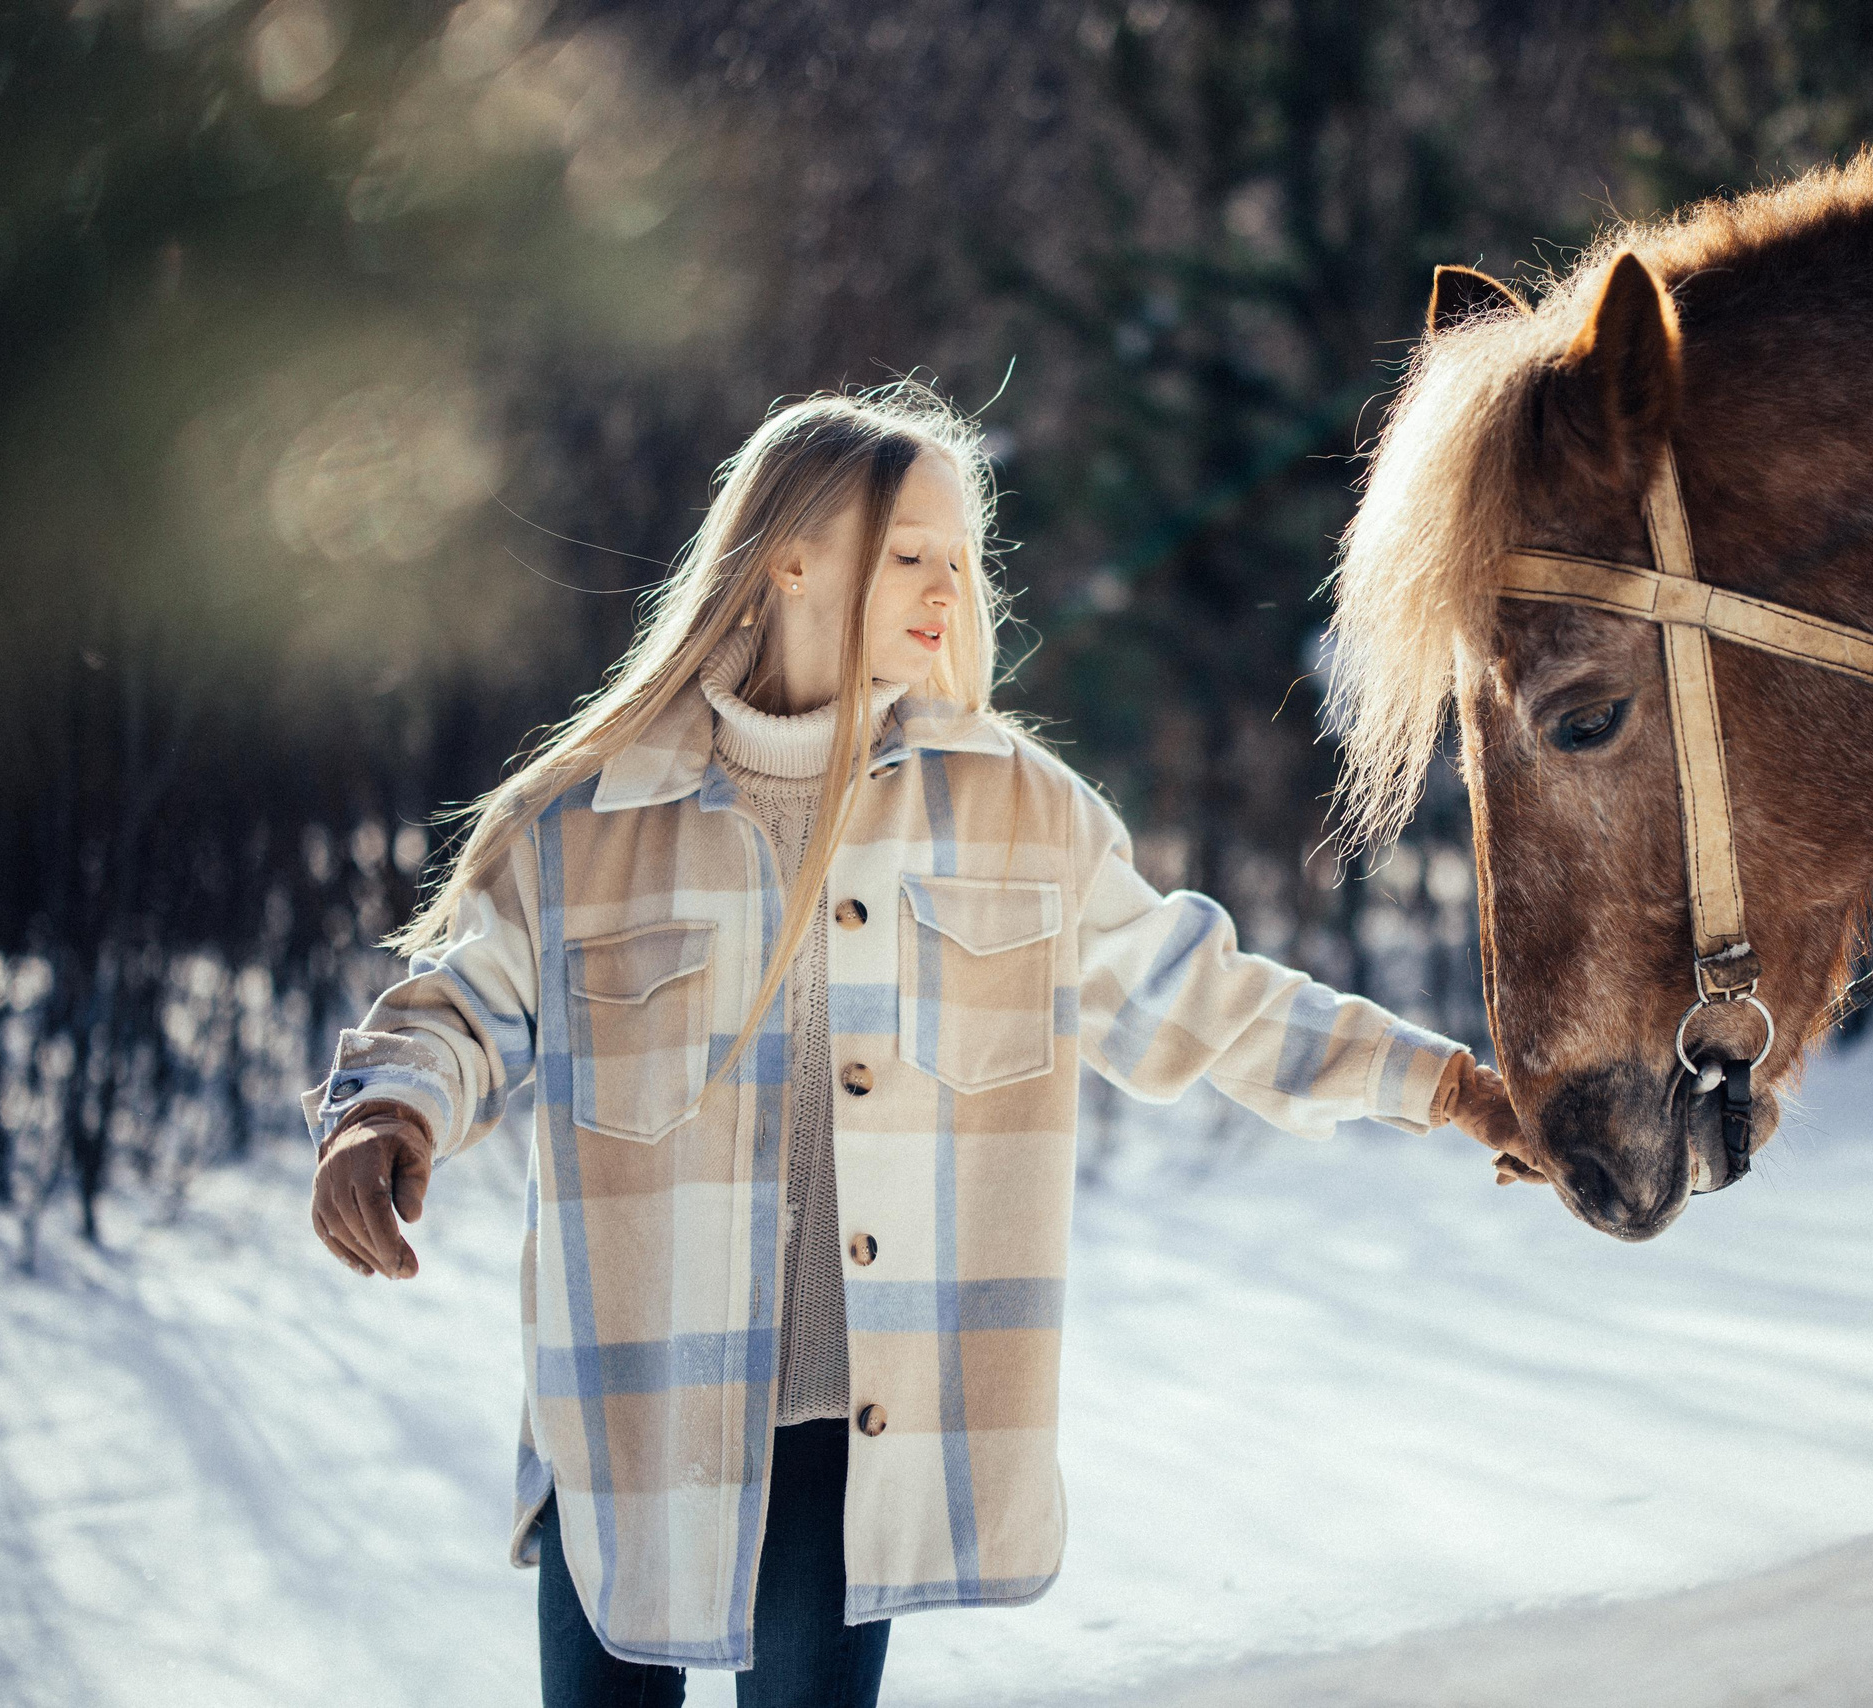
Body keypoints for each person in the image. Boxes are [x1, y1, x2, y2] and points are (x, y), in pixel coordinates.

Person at [300, 380, 1530, 1708]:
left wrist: (1449, 1088)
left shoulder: (1013, 813)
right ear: (789, 560)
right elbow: (461, 1008)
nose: (949, 587)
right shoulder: (590, 821)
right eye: (910, 556)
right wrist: (387, 1114)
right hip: (627, 1427)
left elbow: (1204, 996)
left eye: (962, 559)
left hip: (849, 1441)